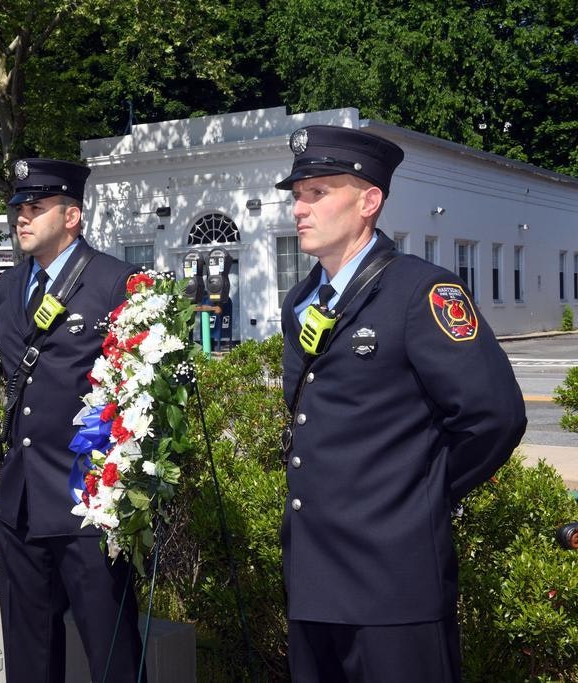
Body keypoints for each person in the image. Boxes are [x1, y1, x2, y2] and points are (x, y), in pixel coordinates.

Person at [276, 125, 527, 682]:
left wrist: (418, 493)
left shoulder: (423, 292)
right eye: (297, 194)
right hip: (313, 576)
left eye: (319, 192)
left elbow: (495, 416)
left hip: (393, 581)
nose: (300, 208)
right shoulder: (300, 300)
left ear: (369, 202)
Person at [0, 158, 145, 682]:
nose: (22, 217)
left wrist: (120, 490)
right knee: (29, 656)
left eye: (36, 207)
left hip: (88, 506)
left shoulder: (113, 283)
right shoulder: (9, 287)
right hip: (22, 502)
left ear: (72, 215)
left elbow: (139, 394)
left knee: (111, 654)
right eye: (18, 208)